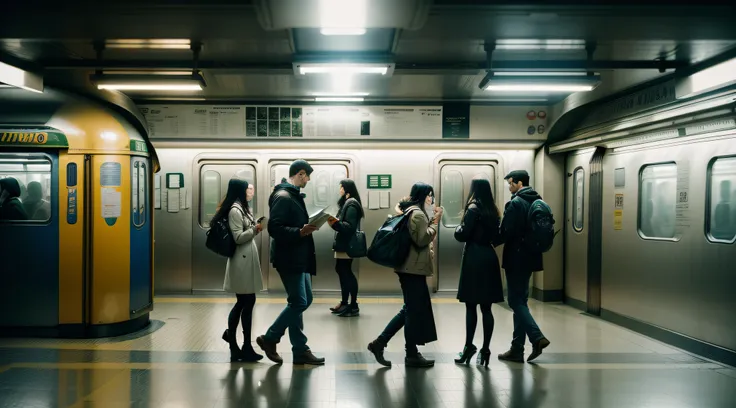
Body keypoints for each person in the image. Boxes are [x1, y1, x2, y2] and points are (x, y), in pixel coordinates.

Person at [367, 182, 442, 368]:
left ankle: (387, 345)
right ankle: (404, 352)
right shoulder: (417, 214)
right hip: (412, 270)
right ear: (422, 195)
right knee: (411, 310)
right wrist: (435, 222)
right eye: (429, 195)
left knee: (410, 310)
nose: (431, 199)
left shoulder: (411, 211)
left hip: (410, 268)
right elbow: (422, 239)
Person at [257, 160, 324, 365]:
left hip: (299, 256)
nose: (309, 180)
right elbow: (275, 228)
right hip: (289, 258)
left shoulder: (292, 195)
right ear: (300, 174)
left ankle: (299, 350)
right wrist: (300, 231)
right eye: (307, 176)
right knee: (299, 302)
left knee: (304, 300)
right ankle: (271, 338)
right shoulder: (283, 196)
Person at [498, 170, 551, 363]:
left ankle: (536, 337)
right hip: (531, 258)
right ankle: (517, 349)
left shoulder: (515, 203)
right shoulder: (536, 200)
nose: (509, 187)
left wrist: (489, 241)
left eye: (511, 183)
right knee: (521, 301)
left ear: (520, 183)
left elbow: (505, 232)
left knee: (514, 301)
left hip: (516, 258)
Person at [453, 178, 504, 367]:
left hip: (474, 257)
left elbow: (463, 234)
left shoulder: (473, 208)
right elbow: (499, 236)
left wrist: (458, 228)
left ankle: (468, 347)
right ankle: (486, 349)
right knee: (487, 308)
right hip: (489, 258)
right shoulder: (493, 210)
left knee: (470, 306)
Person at [214, 178, 264, 362]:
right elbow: (238, 237)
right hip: (241, 262)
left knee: (244, 302)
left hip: (245, 260)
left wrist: (254, 226)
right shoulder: (235, 210)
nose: (250, 191)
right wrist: (256, 229)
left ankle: (238, 343)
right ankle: (240, 344)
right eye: (247, 189)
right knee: (246, 301)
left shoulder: (242, 208)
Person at [327, 179, 364, 317]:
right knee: (342, 270)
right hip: (343, 245)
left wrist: (334, 223)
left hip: (347, 245)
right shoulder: (348, 203)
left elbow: (349, 227)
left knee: (346, 272)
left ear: (346, 189)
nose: (339, 190)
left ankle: (353, 305)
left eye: (341, 187)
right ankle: (344, 303)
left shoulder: (352, 204)